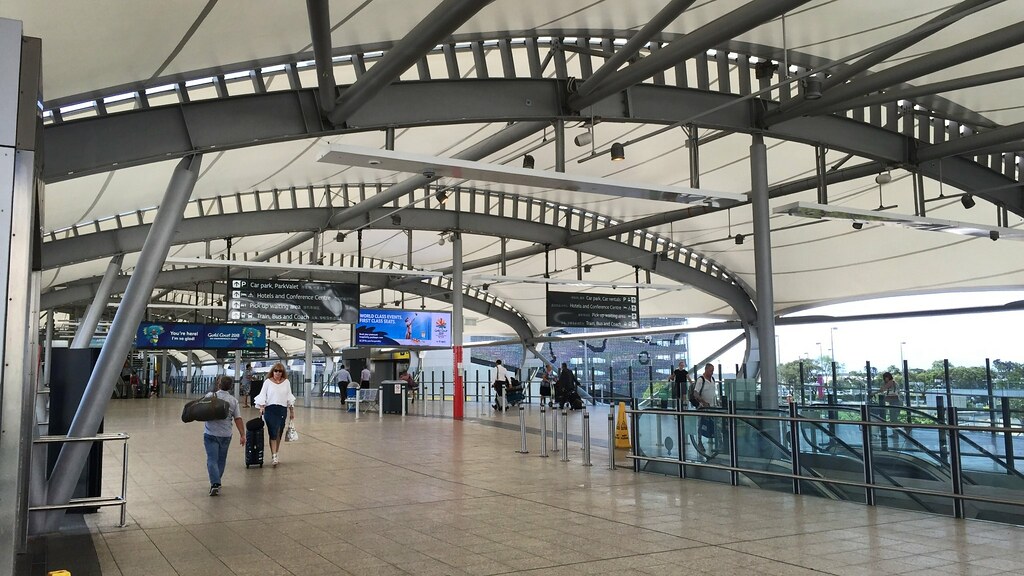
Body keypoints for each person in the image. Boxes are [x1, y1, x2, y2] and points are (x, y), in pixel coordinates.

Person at [202, 376, 245, 496]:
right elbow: (238, 419)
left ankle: (215, 483)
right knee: (221, 460)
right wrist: (242, 435)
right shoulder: (233, 401)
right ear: (231, 387)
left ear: (218, 384)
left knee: (212, 459)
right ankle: (217, 481)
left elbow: (201, 409)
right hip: (226, 435)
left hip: (210, 433)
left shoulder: (210, 396)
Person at [254, 362, 295, 467]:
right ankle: (274, 455)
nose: (278, 373)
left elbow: (289, 396)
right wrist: (262, 406)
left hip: (281, 409)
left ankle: (276, 452)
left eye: (280, 371)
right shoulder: (267, 382)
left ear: (283, 372)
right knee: (273, 431)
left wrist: (292, 410)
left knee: (279, 432)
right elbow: (263, 394)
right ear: (272, 371)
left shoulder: (286, 382)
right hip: (270, 409)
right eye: (276, 371)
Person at [691, 363, 718, 454]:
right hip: (703, 407)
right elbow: (695, 393)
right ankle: (699, 442)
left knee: (715, 423)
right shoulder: (700, 380)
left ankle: (717, 441)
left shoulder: (712, 379)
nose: (712, 372)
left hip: (712, 406)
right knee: (701, 424)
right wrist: (703, 402)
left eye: (713, 370)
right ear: (706, 370)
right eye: (711, 370)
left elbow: (713, 392)